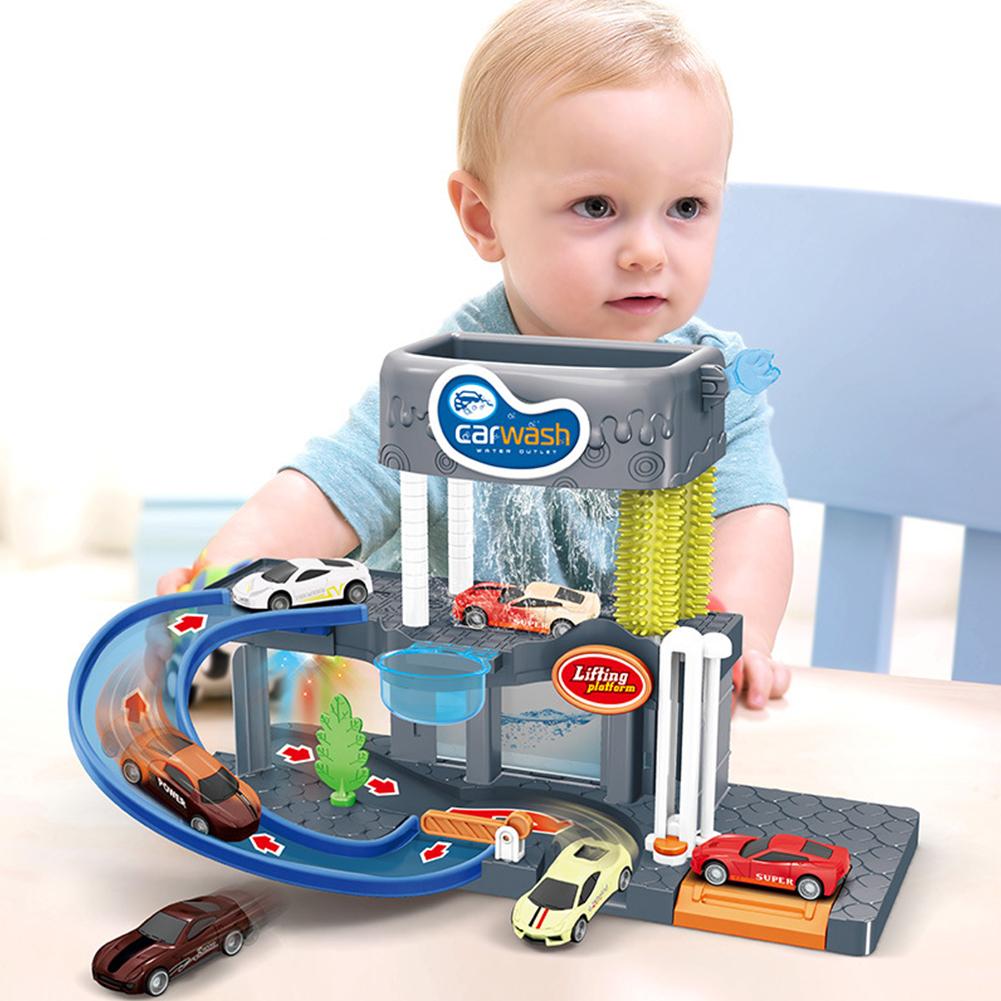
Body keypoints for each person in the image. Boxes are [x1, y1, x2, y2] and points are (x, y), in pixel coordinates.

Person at [158, 0, 792, 709]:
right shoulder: (449, 382)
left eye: (686, 208)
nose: (647, 251)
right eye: (596, 206)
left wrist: (738, 635)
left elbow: (750, 518)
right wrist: (221, 574)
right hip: (434, 695)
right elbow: (333, 486)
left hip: (616, 698)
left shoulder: (713, 383)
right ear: (484, 218)